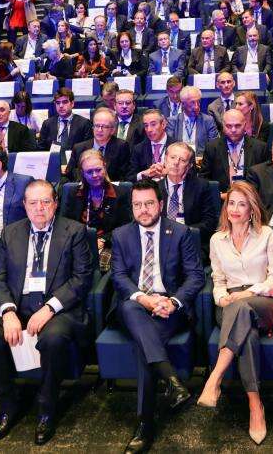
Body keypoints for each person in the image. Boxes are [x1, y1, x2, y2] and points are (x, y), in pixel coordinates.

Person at [0, 179, 93, 445]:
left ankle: (47, 406)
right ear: (24, 205)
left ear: (55, 203)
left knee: (53, 338)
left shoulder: (74, 231)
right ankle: (8, 402)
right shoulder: (11, 232)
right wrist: (8, 312)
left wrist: (50, 308)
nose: (40, 208)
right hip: (17, 304)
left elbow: (81, 279)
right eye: (33, 203)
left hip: (58, 307)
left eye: (45, 202)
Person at [109, 178, 204, 454]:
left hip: (169, 309)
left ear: (161, 204)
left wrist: (173, 302)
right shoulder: (121, 235)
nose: (143, 210)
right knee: (129, 306)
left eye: (149, 203)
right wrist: (144, 299)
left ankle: (145, 424)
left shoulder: (181, 232)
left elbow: (196, 277)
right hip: (136, 305)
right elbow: (118, 277)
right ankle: (173, 383)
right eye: (137, 205)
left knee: (145, 347)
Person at [196, 181, 273, 444]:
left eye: (242, 204)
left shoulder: (267, 234)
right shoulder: (216, 240)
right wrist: (222, 299)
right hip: (230, 304)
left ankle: (215, 376)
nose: (235, 209)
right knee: (248, 334)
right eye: (231, 203)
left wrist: (247, 294)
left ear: (252, 209)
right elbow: (218, 280)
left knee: (243, 307)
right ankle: (256, 405)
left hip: (264, 301)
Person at [61, 149, 132, 271]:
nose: (94, 175)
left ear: (105, 167)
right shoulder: (73, 194)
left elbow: (125, 227)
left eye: (98, 170)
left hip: (109, 244)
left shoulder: (121, 193)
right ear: (82, 173)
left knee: (102, 265)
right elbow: (66, 224)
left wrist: (103, 240)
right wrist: (82, 240)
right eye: (89, 172)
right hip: (79, 242)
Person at [200, 109, 271, 194]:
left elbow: (266, 180)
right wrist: (218, 195)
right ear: (223, 126)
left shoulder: (260, 148)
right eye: (229, 126)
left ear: (244, 125)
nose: (233, 130)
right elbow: (204, 178)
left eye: (237, 126)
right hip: (222, 200)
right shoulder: (212, 147)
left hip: (251, 198)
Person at [67, 108, 132, 183]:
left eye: (104, 126)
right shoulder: (79, 148)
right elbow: (69, 175)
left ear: (112, 130)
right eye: (97, 126)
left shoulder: (121, 147)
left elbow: (124, 177)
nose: (99, 130)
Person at [38, 88, 93, 153]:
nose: (61, 106)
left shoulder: (84, 123)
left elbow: (88, 150)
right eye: (58, 103)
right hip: (53, 160)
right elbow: (41, 149)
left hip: (76, 161)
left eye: (65, 102)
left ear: (72, 104)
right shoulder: (47, 124)